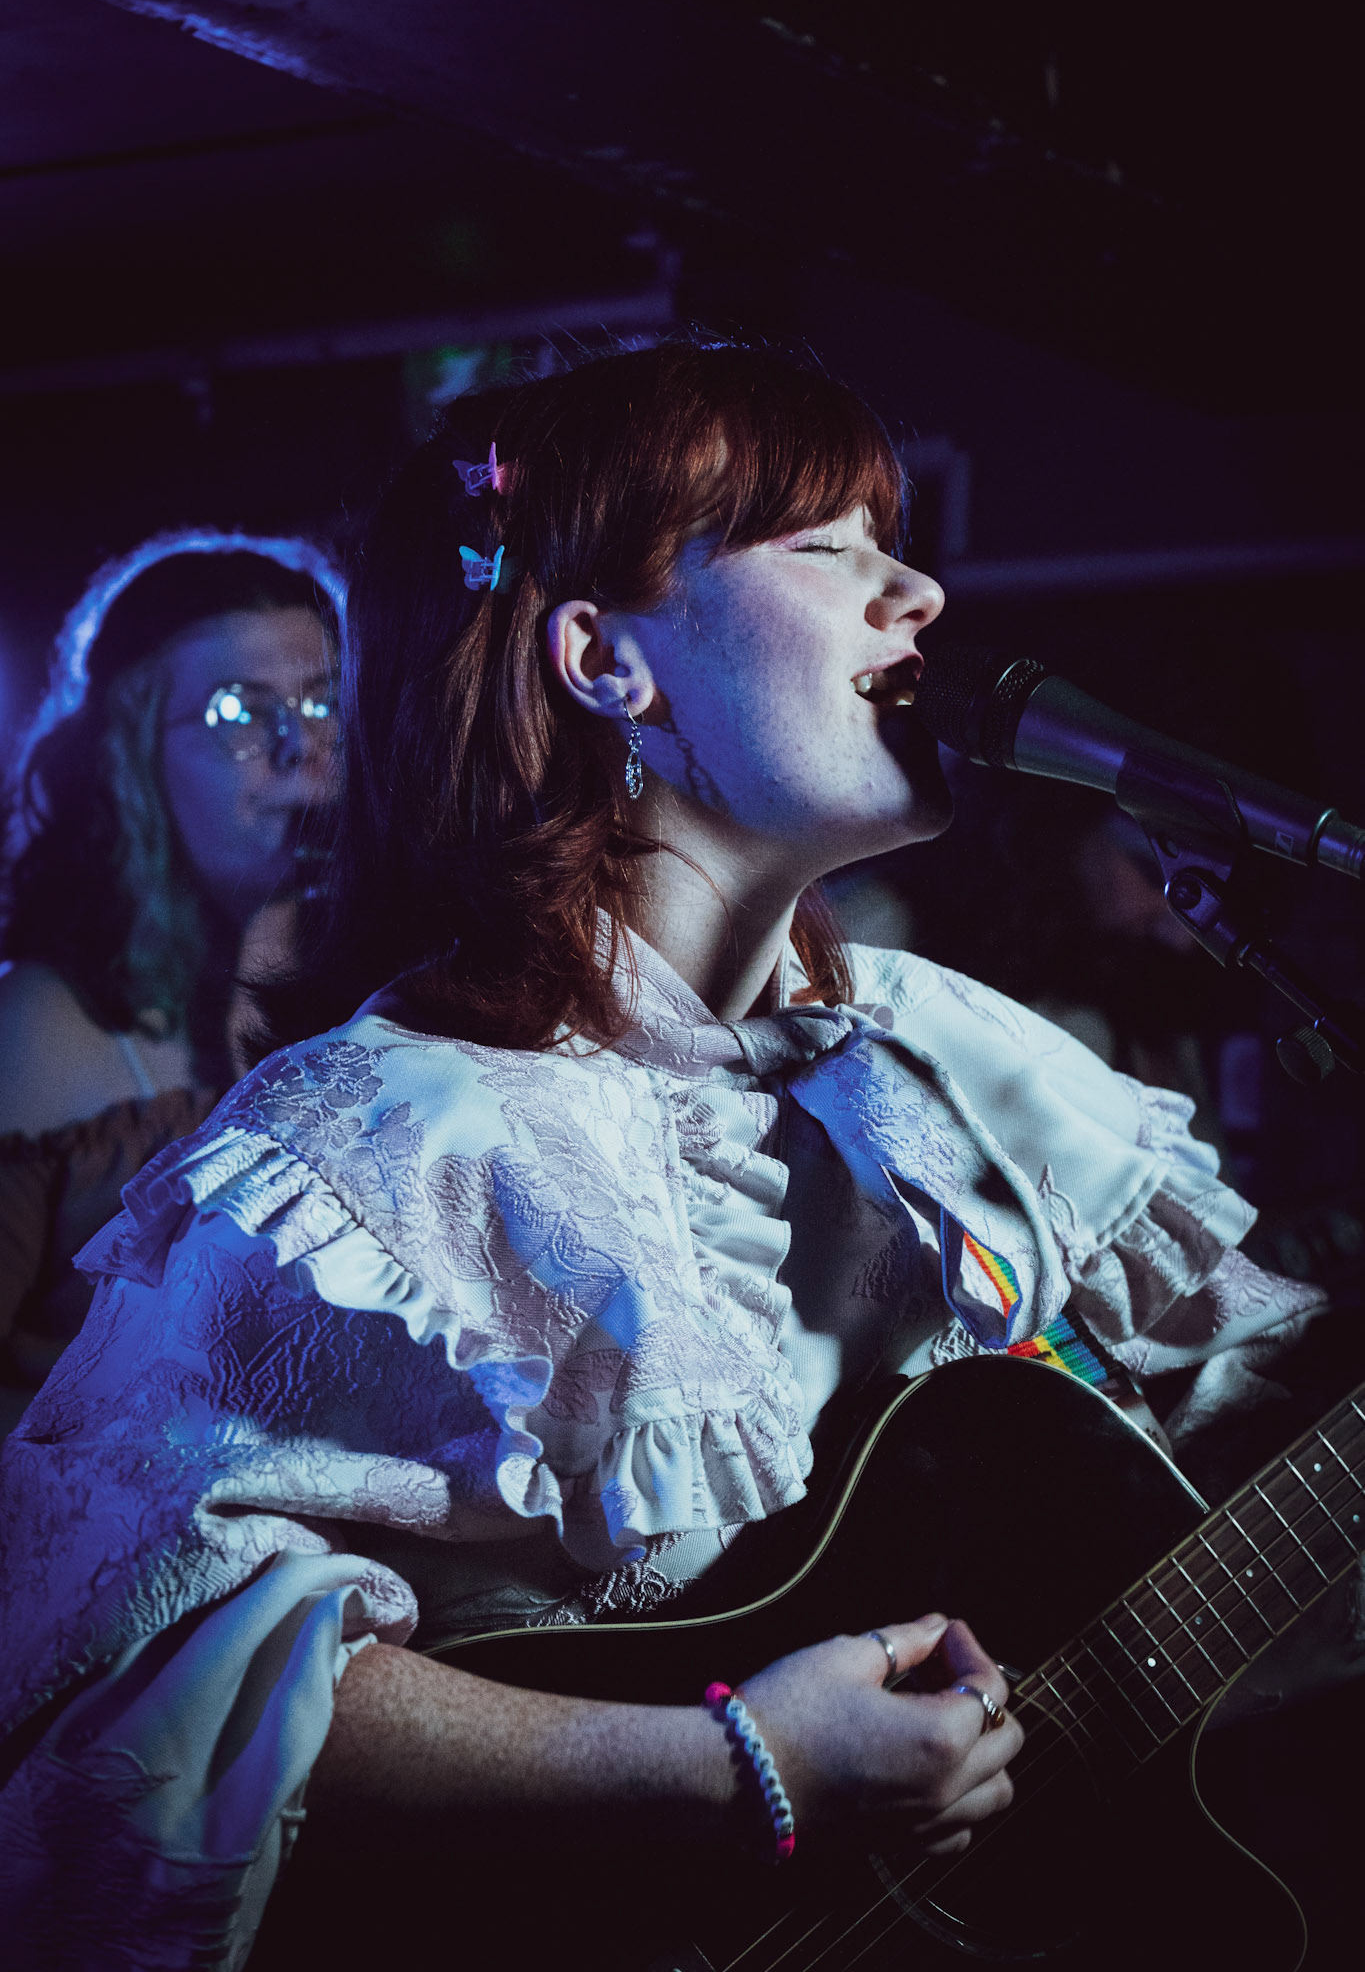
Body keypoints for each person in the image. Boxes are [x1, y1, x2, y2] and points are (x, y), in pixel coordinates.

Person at [0, 348, 1348, 1970]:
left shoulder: (948, 1056)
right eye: (825, 545)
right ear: (605, 659)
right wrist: (731, 1769)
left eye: (892, 539)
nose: (918, 591)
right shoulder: (391, 1138)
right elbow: (133, 1669)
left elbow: (1246, 1451)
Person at [0, 533, 343, 1430]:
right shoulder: (38, 1024)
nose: (300, 746)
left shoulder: (406, 988)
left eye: (323, 700)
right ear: (130, 757)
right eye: (238, 710)